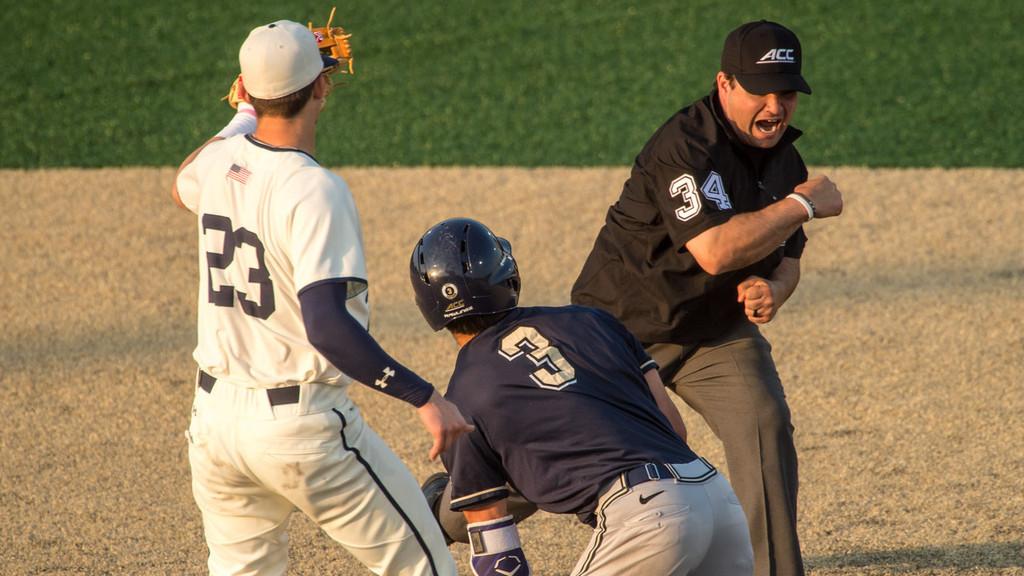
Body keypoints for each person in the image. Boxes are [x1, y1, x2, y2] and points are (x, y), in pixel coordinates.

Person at [171, 19, 472, 576]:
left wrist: (243, 113)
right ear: (321, 88)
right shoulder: (314, 189)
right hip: (298, 432)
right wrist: (425, 397)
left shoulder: (218, 161)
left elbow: (184, 178)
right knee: (424, 566)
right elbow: (328, 328)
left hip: (213, 424)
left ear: (246, 91)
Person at [570, 20, 844, 576]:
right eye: (760, 91)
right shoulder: (685, 147)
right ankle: (448, 510)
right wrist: (803, 205)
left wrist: (775, 289)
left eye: (786, 92)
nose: (775, 106)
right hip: (622, 330)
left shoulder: (786, 163)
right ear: (725, 84)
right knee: (559, 452)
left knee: (763, 421)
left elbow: (788, 258)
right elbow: (715, 252)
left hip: (713, 333)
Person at [409, 217, 754, 576]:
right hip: (717, 498)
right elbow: (673, 429)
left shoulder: (458, 404)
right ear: (506, 276)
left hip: (649, 519)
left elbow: (501, 561)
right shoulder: (592, 320)